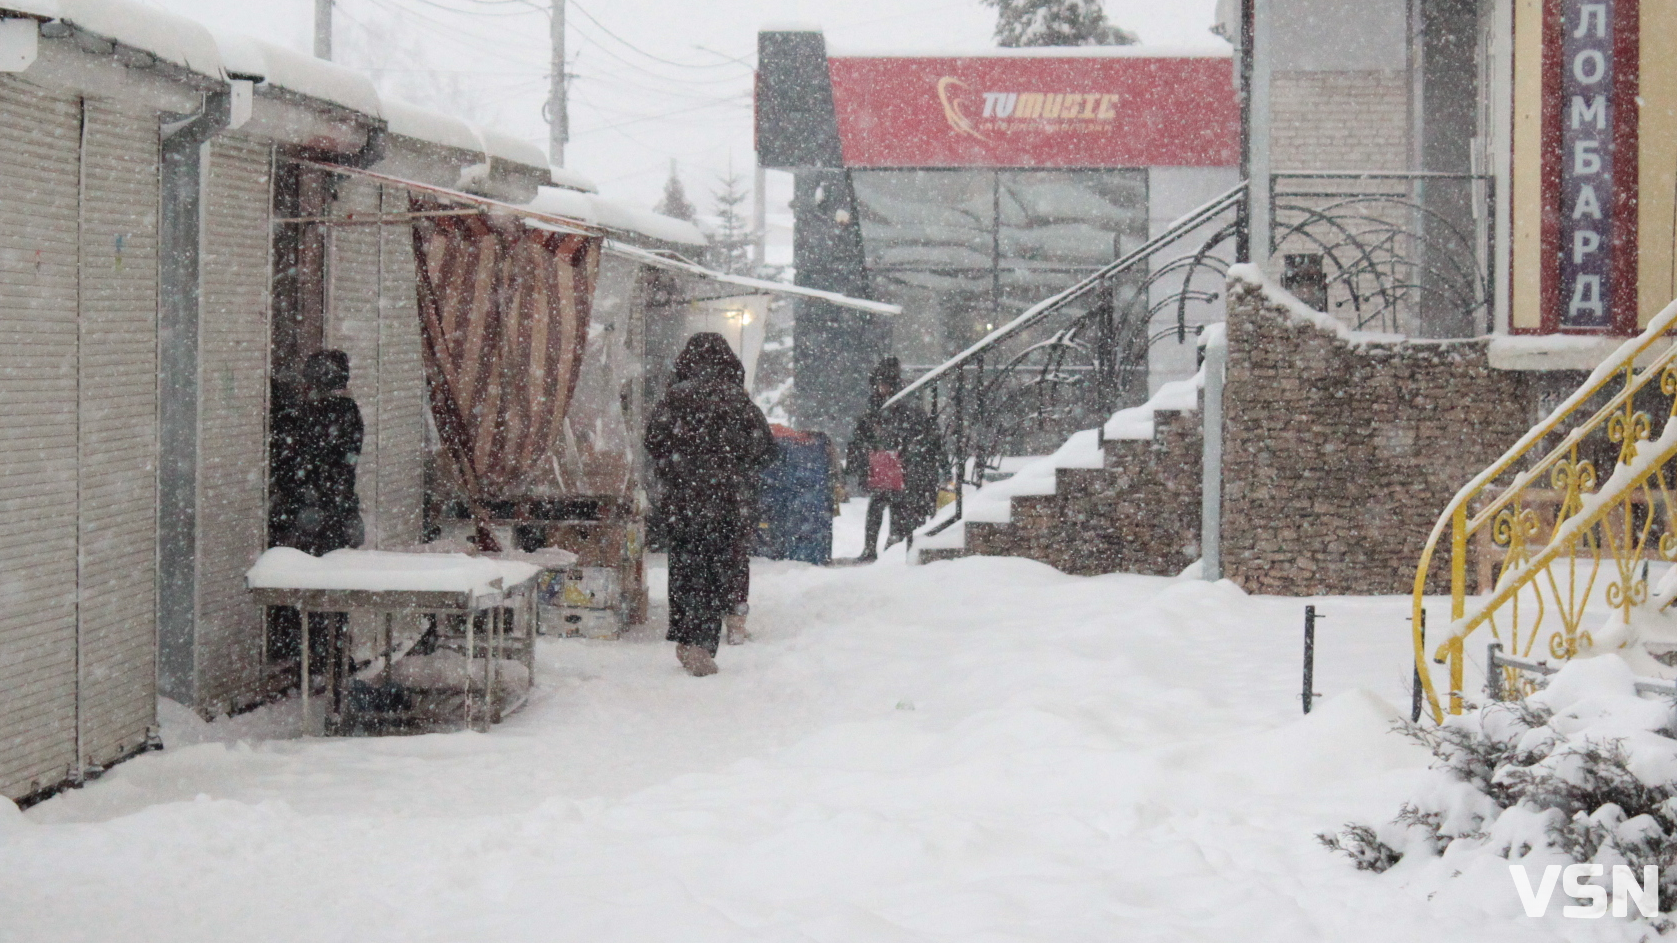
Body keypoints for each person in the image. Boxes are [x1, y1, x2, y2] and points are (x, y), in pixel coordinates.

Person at [644, 333, 776, 676]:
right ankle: (706, 639)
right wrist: (735, 465)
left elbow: (653, 441)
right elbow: (765, 448)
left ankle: (687, 639)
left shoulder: (675, 398)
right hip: (728, 504)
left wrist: (678, 466)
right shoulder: (737, 401)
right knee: (720, 570)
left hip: (683, 503)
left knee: (686, 571)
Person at [271, 350, 365, 556]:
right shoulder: (348, 410)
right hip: (338, 507)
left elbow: (296, 462)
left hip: (311, 511)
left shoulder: (313, 413)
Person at [847, 357, 942, 561]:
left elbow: (910, 428)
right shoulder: (898, 400)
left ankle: (884, 547)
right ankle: (884, 546)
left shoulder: (899, 402)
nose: (880, 388)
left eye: (883, 384)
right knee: (887, 504)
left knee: (888, 505)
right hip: (890, 460)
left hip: (895, 460)